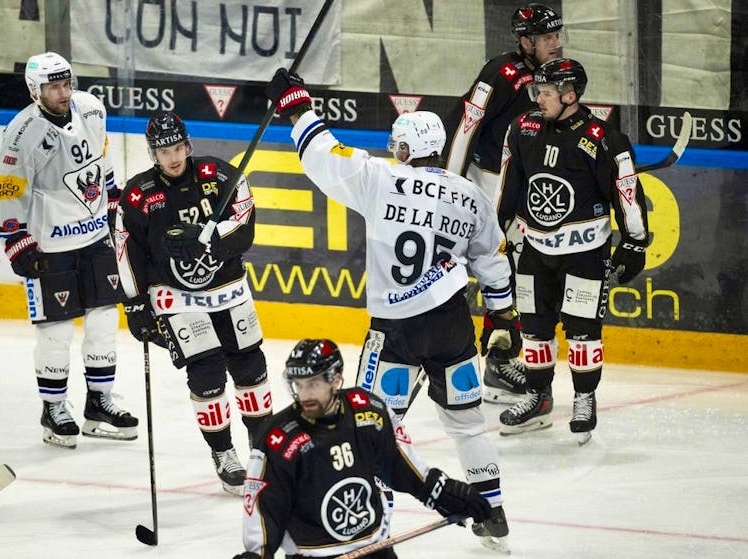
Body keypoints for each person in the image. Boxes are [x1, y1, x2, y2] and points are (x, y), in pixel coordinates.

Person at [266, 69, 518, 553]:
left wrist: (297, 105)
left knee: (373, 426)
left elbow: (324, 156)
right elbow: (492, 261)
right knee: (466, 423)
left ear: (402, 149)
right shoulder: (470, 196)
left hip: (396, 329)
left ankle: (370, 522)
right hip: (450, 326)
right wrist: (503, 318)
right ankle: (494, 511)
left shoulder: (382, 180)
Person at [113, 111, 273, 495]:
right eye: (163, 150)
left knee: (251, 366)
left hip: (228, 288)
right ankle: (224, 454)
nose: (172, 157)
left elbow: (246, 221)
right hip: (176, 296)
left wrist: (210, 237)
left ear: (188, 144)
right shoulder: (137, 195)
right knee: (207, 373)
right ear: (153, 153)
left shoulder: (218, 175)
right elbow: (124, 250)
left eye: (177, 147)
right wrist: (134, 305)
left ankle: (261, 450)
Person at [494, 57, 649, 445]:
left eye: (545, 92)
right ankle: (537, 397)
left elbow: (627, 193)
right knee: (534, 330)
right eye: (536, 91)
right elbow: (508, 187)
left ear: (570, 94)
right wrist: (494, 232)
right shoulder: (523, 129)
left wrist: (633, 242)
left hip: (585, 253)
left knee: (583, 332)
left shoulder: (603, 138)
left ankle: (584, 397)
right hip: (533, 249)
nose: (537, 98)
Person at [232, 339, 491, 559]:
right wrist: (256, 555)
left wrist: (446, 493)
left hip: (375, 548)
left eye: (312, 384)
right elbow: (263, 509)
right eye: (298, 385)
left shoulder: (368, 412)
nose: (304, 394)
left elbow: (403, 468)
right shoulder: (278, 437)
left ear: (335, 379)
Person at [0, 51, 137, 449]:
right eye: (53, 86)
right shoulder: (21, 133)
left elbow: (102, 161)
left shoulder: (91, 108)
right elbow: (8, 189)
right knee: (55, 331)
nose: (62, 92)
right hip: (50, 245)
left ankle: (99, 402)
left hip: (94, 238)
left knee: (104, 322)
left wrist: (113, 205)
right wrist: (15, 240)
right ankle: (54, 407)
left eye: (66, 83)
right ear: (34, 90)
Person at [442, 3, 564, 405]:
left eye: (556, 36)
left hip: (526, 186)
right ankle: (494, 358)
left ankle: (501, 354)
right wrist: (448, 186)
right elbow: (466, 128)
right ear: (525, 41)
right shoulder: (501, 72)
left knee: (520, 271)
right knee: (499, 267)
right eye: (547, 37)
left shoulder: (557, 79)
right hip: (489, 184)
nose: (555, 43)